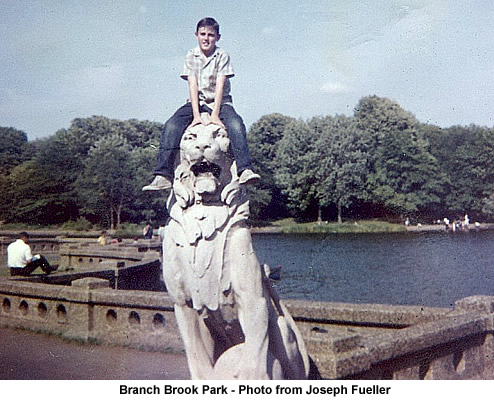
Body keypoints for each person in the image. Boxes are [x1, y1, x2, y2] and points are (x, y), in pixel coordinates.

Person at [143, 17, 260, 191]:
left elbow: (220, 85)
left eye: (211, 35)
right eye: (203, 34)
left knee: (236, 124)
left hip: (221, 102)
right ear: (196, 35)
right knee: (172, 125)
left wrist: (214, 115)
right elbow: (192, 84)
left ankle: (245, 169)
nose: (206, 38)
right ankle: (163, 174)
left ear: (217, 37)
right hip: (196, 102)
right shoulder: (191, 55)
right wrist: (196, 116)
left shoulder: (222, 56)